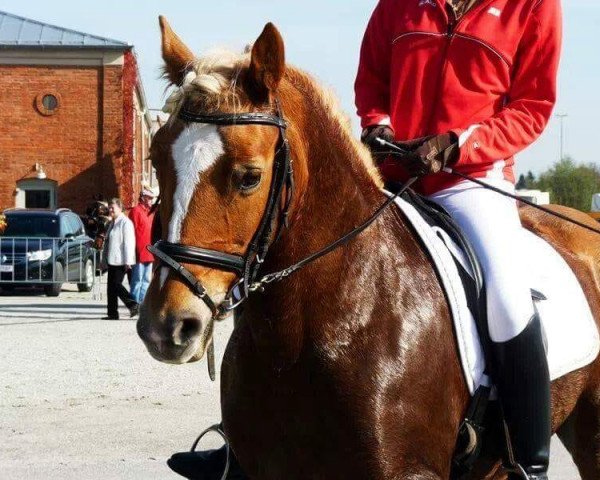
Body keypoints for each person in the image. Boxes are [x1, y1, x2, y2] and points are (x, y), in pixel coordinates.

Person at [355, 1, 561, 479]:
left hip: (470, 179)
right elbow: (372, 79)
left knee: (508, 298)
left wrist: (458, 143)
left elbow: (532, 106)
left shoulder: (534, 6)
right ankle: (242, 447)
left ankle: (530, 463)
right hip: (393, 172)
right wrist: (378, 124)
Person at [102, 198, 139, 320]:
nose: (110, 210)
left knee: (116, 285)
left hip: (122, 259)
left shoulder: (125, 222)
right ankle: (112, 313)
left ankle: (133, 304)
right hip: (112, 259)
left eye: (113, 208)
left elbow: (128, 243)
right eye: (109, 208)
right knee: (110, 287)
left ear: (120, 208)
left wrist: (128, 261)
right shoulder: (113, 223)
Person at [129, 188, 156, 304]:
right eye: (149, 198)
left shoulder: (151, 212)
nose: (151, 200)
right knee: (137, 279)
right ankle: (134, 303)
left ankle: (141, 302)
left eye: (151, 198)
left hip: (149, 252)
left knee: (146, 279)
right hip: (139, 251)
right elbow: (131, 231)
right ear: (143, 198)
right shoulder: (135, 211)